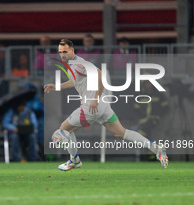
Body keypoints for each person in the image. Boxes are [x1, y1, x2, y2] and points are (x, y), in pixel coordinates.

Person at [44, 39, 168, 171]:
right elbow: (75, 82)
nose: (62, 55)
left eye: (65, 52)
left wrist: (95, 98)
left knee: (63, 129)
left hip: (91, 107)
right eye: (60, 52)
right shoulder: (72, 66)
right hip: (103, 107)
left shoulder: (79, 64)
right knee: (121, 132)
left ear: (72, 51)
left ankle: (74, 160)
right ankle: (155, 148)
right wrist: (56, 86)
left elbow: (100, 75)